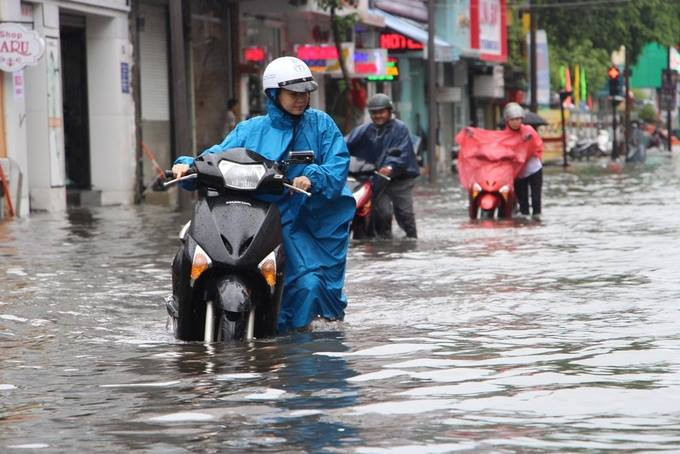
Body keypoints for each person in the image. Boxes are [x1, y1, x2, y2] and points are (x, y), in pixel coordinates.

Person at [171, 56, 356, 333]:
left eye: (305, 93)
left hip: (307, 222)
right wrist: (188, 166)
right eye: (294, 94)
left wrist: (312, 177)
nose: (301, 100)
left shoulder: (322, 125)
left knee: (308, 285)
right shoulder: (250, 129)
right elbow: (216, 156)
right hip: (255, 218)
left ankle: (301, 350)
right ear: (273, 93)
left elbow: (337, 164)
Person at [345, 93, 420, 238]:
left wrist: (390, 166)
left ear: (389, 111)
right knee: (382, 213)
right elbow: (345, 143)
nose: (378, 115)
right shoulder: (365, 130)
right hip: (377, 180)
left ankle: (411, 239)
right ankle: (384, 243)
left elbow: (403, 154)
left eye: (381, 112)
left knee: (406, 214)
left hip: (400, 179)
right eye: (374, 113)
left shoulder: (400, 129)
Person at [504, 102, 544, 217]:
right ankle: (524, 225)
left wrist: (528, 145)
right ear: (508, 120)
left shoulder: (529, 131)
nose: (516, 122)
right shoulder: (505, 135)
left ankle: (537, 222)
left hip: (534, 169)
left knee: (536, 199)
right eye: (513, 119)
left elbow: (538, 146)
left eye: (518, 119)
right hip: (518, 173)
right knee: (523, 202)